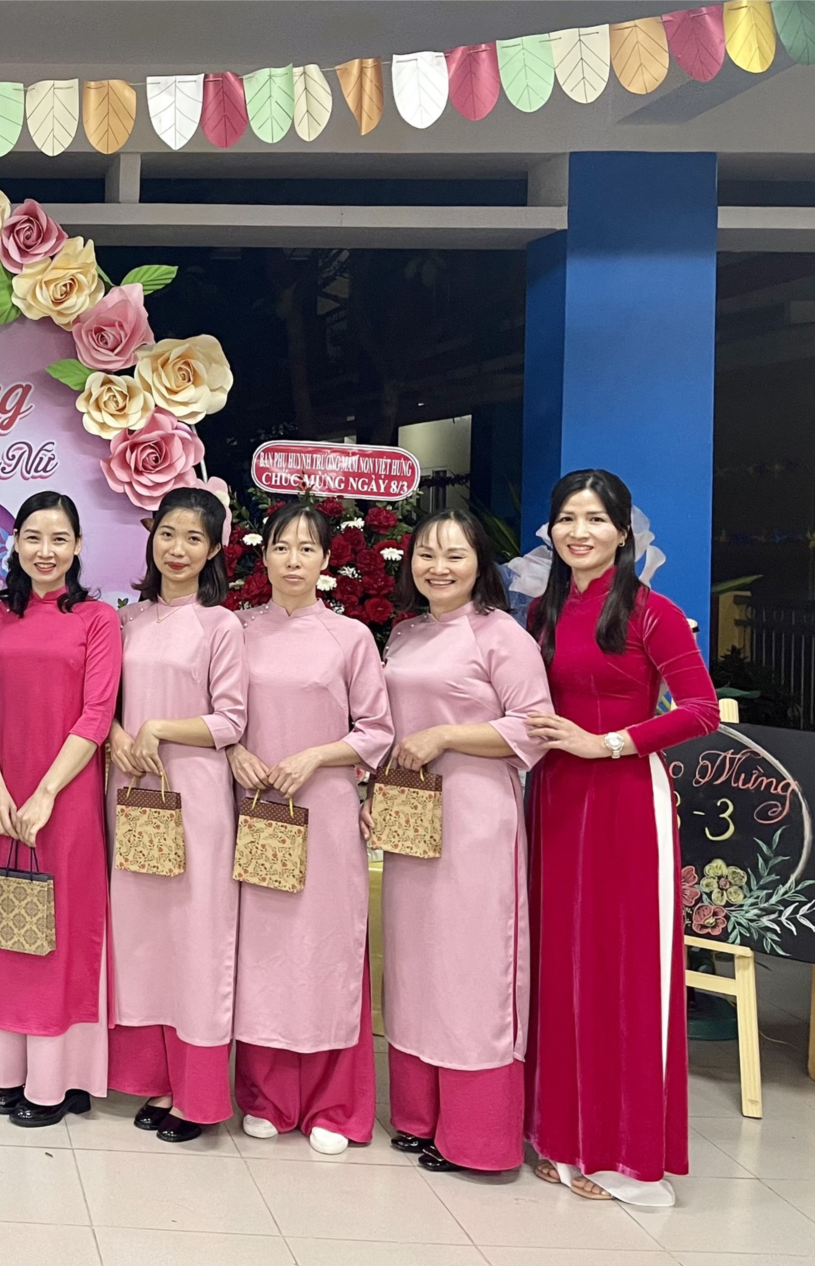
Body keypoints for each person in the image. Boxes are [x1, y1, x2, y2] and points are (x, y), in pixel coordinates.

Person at [523, 469, 718, 1206]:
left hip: (624, 800)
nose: (580, 532)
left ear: (623, 532)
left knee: (619, 969)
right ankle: (560, 1132)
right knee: (557, 963)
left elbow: (700, 710)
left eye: (596, 519)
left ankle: (623, 1152)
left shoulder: (651, 612)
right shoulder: (541, 610)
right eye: (567, 519)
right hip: (554, 800)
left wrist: (605, 743)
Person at [377, 510, 551, 1173]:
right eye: (426, 554)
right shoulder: (407, 632)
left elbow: (535, 727)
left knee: (472, 968)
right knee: (416, 962)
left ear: (481, 563)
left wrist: (447, 736)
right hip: (410, 814)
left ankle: (477, 1134)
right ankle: (421, 1114)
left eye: (454, 555)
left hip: (476, 819)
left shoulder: (502, 635)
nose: (438, 567)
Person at [227, 499, 393, 1156]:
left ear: (326, 560)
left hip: (323, 812)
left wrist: (317, 756)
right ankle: (265, 1096)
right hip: (255, 809)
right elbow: (215, 711)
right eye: (281, 546)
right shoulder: (237, 630)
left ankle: (334, 1103)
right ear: (263, 556)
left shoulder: (350, 638)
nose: (292, 560)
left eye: (306, 548)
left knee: (325, 949)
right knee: (262, 951)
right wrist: (233, 750)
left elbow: (376, 729)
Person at [0, 491, 121, 1128]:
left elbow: (97, 714)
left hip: (67, 797)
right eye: (33, 537)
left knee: (63, 930)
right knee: (10, 927)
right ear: (15, 544)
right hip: (6, 798)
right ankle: (10, 1069)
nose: (45, 550)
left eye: (59, 539)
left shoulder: (97, 619)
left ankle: (61, 1079)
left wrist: (46, 793)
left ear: (78, 546)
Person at [104, 487, 247, 1143]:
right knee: (141, 938)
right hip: (131, 792)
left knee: (196, 940)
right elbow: (104, 700)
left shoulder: (222, 625)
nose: (178, 548)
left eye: (194, 538)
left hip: (194, 799)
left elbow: (231, 720)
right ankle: (153, 1078)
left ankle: (197, 1093)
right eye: (168, 534)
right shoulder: (128, 618)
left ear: (214, 549)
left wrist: (160, 727)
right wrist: (114, 734)